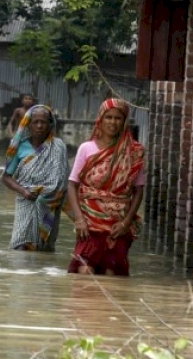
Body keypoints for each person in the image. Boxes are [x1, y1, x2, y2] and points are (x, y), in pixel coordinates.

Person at [66, 98, 145, 276]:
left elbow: (138, 191)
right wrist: (79, 219)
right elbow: (72, 184)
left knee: (111, 273)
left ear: (124, 122)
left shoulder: (134, 153)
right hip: (89, 222)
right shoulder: (86, 148)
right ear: (100, 120)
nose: (113, 122)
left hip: (118, 224)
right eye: (108, 117)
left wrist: (125, 223)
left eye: (118, 118)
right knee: (85, 270)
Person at [1, 105, 69, 251]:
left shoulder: (58, 147)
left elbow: (62, 181)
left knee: (44, 248)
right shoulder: (18, 146)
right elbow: (6, 177)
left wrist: (46, 193)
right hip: (25, 201)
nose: (39, 126)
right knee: (20, 244)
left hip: (49, 204)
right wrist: (24, 191)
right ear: (28, 125)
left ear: (50, 124)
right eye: (35, 122)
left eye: (43, 122)